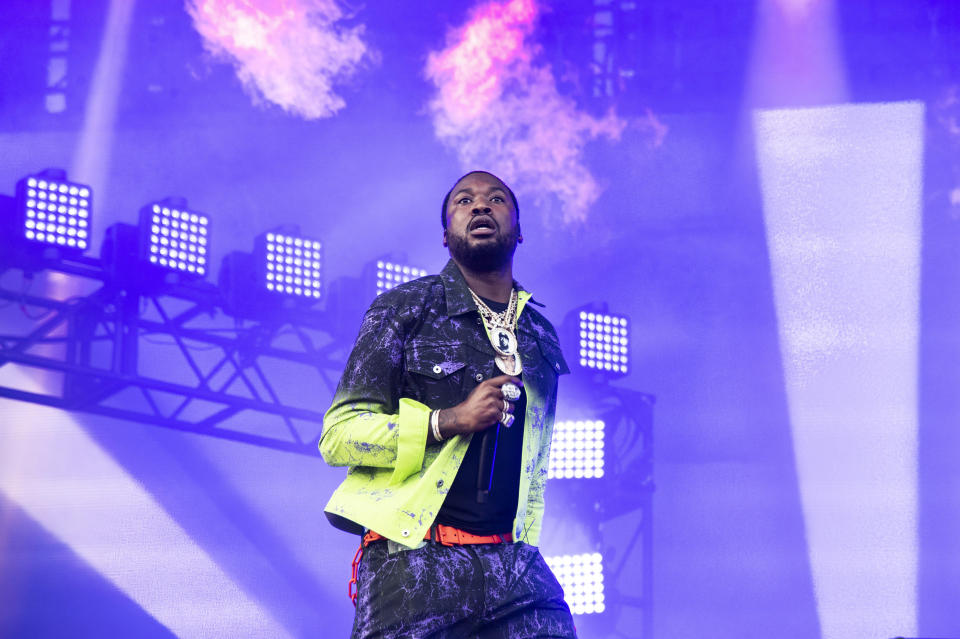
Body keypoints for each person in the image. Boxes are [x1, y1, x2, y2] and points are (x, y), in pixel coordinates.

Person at [319, 170, 577, 638]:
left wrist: (525, 546)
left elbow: (534, 468)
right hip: (416, 563)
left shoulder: (539, 336)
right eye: (464, 200)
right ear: (445, 234)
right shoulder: (404, 308)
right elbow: (339, 436)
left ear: (518, 229)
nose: (481, 206)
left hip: (513, 567)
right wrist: (446, 421)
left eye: (496, 199)